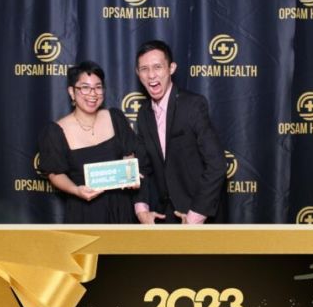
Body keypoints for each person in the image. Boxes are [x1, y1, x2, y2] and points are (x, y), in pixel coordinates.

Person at [132, 40, 227, 224]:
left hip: (199, 215)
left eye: (157, 67)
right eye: (144, 69)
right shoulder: (143, 113)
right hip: (165, 217)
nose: (151, 75)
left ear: (171, 68)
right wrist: (141, 209)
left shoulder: (192, 105)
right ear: (138, 73)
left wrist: (194, 217)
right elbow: (143, 167)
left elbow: (217, 165)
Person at [38, 60, 139, 223]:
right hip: (84, 211)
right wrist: (76, 190)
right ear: (72, 91)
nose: (93, 93)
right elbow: (55, 174)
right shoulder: (56, 131)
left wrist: (130, 174)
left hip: (121, 208)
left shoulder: (115, 118)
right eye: (85, 87)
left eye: (98, 87)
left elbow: (129, 153)